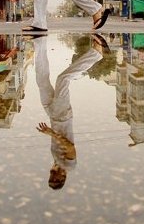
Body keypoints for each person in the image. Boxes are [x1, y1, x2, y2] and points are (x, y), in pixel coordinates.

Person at [33, 33, 107, 190]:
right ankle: (96, 55)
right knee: (63, 79)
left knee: (41, 80)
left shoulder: (56, 163)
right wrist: (50, 133)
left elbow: (59, 149)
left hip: (53, 115)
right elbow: (70, 147)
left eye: (50, 179)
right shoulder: (69, 166)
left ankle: (39, 46)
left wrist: (54, 165)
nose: (51, 176)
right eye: (54, 179)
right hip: (62, 116)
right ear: (62, 179)